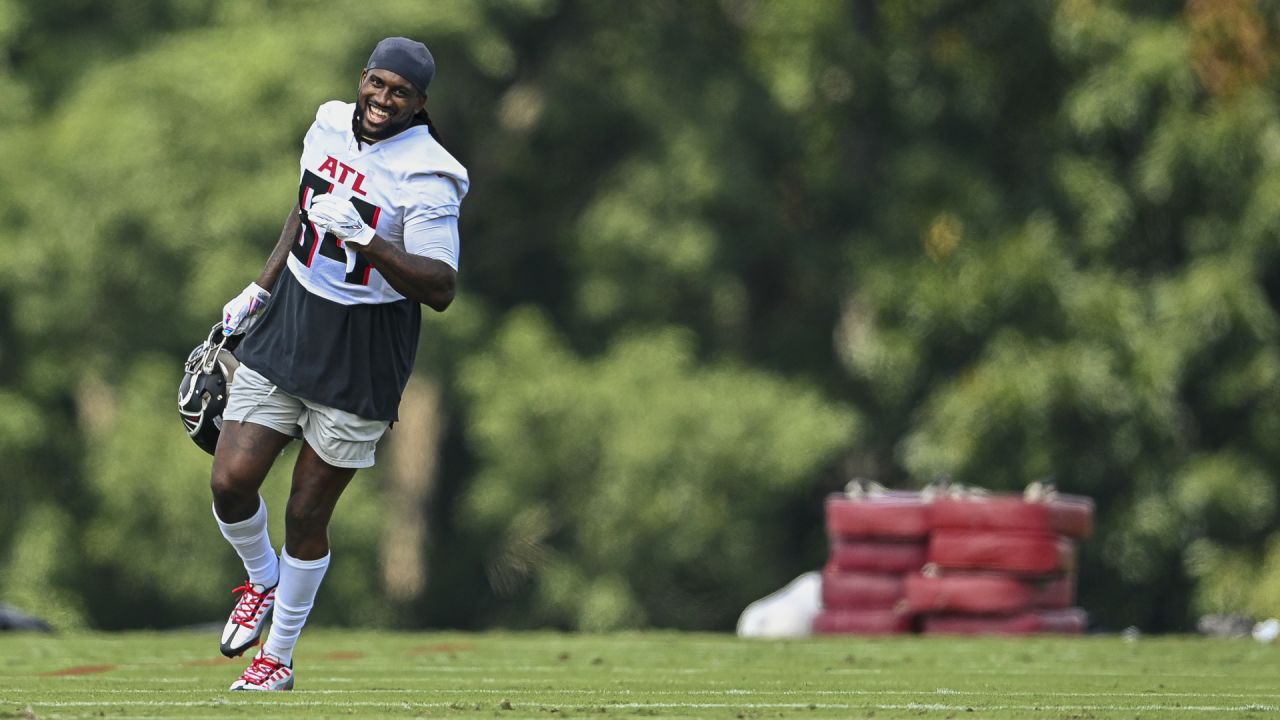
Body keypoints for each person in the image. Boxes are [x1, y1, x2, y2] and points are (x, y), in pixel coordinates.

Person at [208, 36, 468, 692]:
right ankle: (261, 580)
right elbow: (302, 213)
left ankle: (279, 658)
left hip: (366, 344)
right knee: (231, 479)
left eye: (399, 93)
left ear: (419, 103)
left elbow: (440, 287)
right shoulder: (327, 123)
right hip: (294, 315)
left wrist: (369, 241)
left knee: (306, 512)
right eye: (378, 85)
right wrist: (260, 288)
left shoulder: (431, 173)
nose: (383, 100)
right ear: (363, 79)